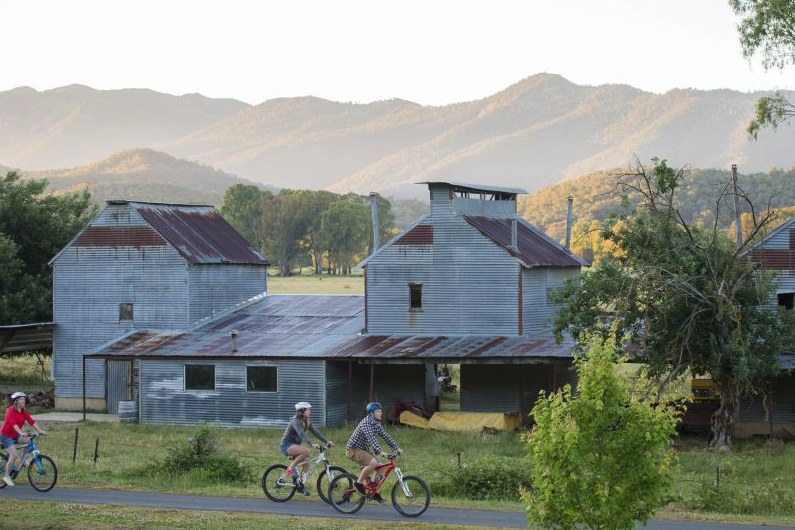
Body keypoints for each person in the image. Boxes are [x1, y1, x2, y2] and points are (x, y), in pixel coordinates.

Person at [345, 401, 403, 502]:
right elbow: (372, 439)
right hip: (353, 450)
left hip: (364, 450)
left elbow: (386, 436)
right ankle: (358, 484)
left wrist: (396, 448)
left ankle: (372, 492)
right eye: (378, 411)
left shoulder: (377, 423)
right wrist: (381, 451)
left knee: (381, 468)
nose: (381, 413)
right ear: (371, 413)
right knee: (373, 463)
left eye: (381, 411)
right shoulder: (366, 424)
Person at [278, 401, 333, 496]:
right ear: (301, 411)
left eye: (309, 410)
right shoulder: (295, 421)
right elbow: (301, 434)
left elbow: (316, 432)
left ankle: (299, 485)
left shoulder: (307, 421)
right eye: (308, 410)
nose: (310, 412)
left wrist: (327, 441)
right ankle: (290, 469)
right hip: (286, 446)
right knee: (307, 451)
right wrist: (311, 444)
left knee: (305, 465)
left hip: (295, 446)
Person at [1, 391, 45, 487]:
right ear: (16, 401)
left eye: (24, 399)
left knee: (29, 442)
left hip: (15, 435)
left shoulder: (23, 411)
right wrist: (21, 433)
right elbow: (14, 424)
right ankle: (7, 477)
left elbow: (31, 421)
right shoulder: (11, 411)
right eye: (22, 399)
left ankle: (23, 460)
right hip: (5, 435)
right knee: (14, 455)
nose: (24, 401)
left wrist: (39, 430)